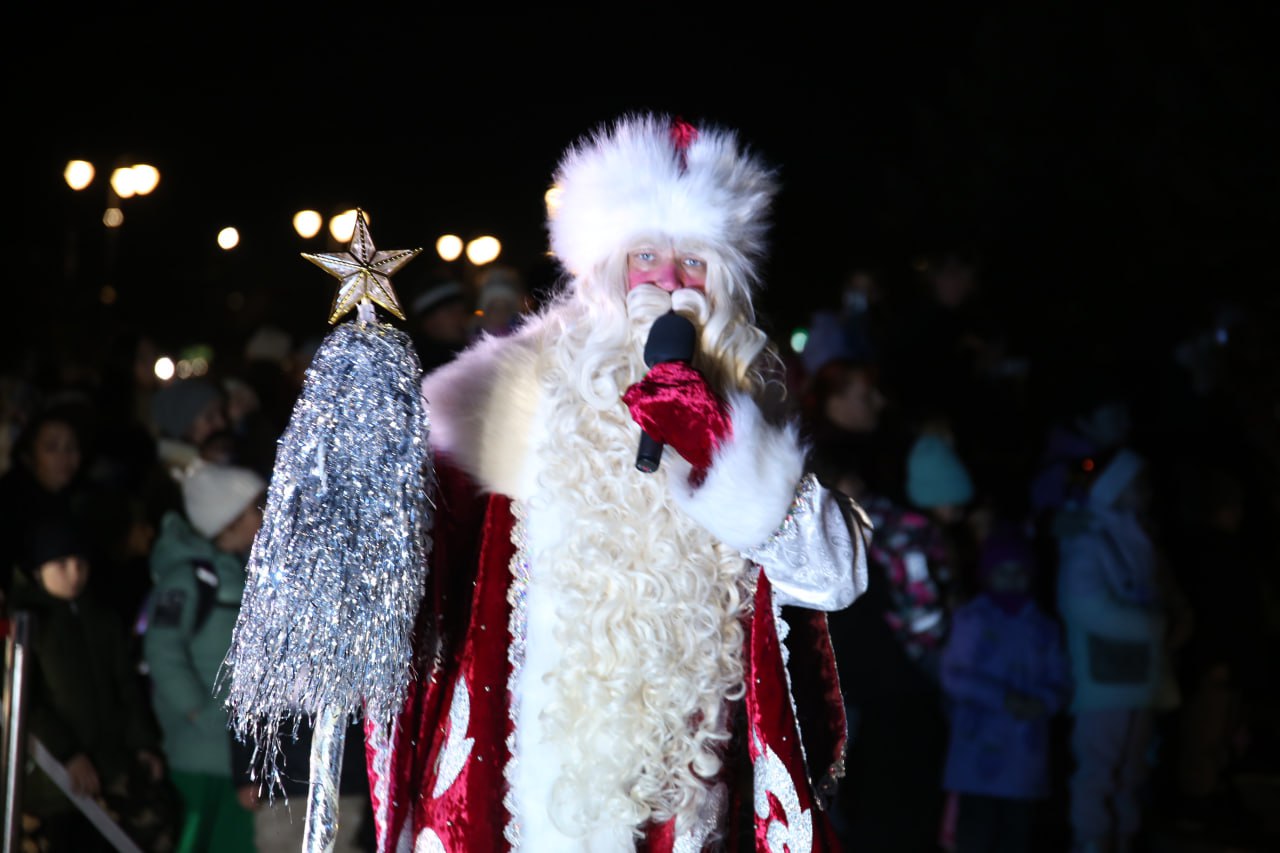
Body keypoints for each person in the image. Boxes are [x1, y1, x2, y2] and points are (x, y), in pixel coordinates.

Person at [365, 113, 872, 851]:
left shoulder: (750, 401)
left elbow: (836, 577)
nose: (669, 284)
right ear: (604, 270)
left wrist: (725, 453)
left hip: (686, 792)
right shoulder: (512, 389)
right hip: (517, 785)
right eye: (645, 258)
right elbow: (409, 544)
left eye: (694, 263)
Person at [11, 511, 178, 852]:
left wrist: (142, 744)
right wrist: (67, 754)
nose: (74, 573)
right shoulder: (26, 624)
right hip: (50, 783)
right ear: (37, 569)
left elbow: (125, 687)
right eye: (60, 563)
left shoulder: (101, 616)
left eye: (80, 562)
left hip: (109, 771)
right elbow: (26, 699)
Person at [1055, 448, 1181, 853]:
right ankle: (1092, 841)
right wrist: (1154, 626)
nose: (1144, 492)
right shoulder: (1090, 539)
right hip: (1104, 680)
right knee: (1099, 769)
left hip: (1139, 677)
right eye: (1135, 484)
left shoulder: (1138, 539)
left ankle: (1122, 839)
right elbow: (1084, 603)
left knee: (1132, 769)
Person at [144, 459, 265, 853]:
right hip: (199, 753)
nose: (266, 515)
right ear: (227, 520)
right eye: (256, 508)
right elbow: (162, 651)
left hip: (239, 752)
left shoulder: (250, 571)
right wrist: (198, 711)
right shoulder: (189, 580)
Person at [940, 521, 1072, 853]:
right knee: (976, 832)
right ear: (988, 574)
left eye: (1020, 571)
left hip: (1025, 755)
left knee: (1017, 833)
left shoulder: (1043, 626)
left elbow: (1061, 679)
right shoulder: (972, 619)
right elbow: (953, 674)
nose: (1012, 579)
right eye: (1003, 571)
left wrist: (1043, 702)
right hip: (977, 750)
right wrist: (1003, 699)